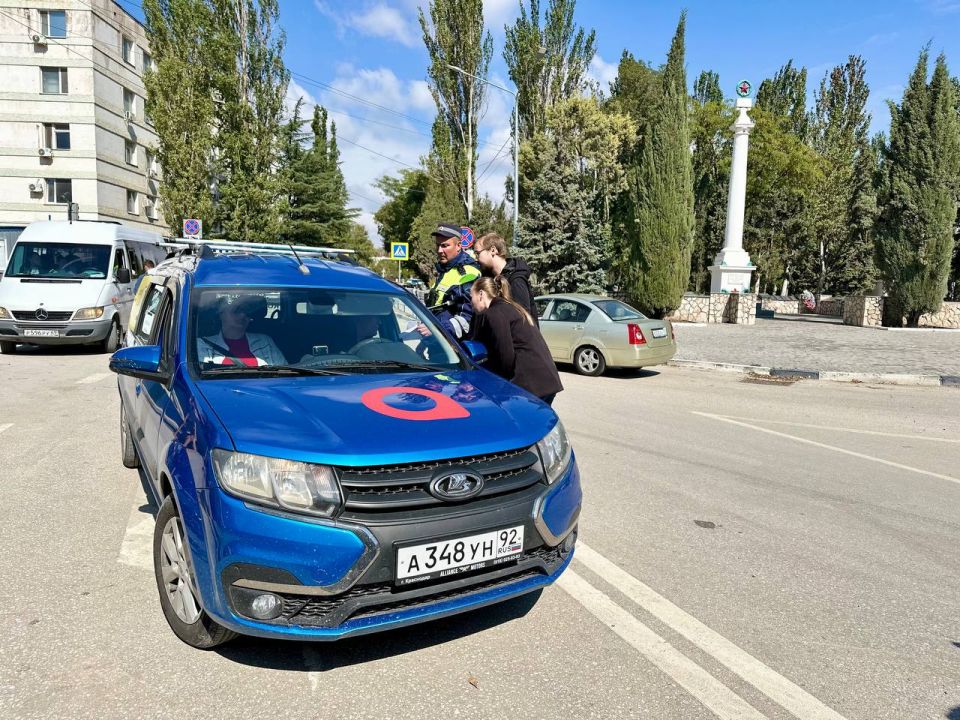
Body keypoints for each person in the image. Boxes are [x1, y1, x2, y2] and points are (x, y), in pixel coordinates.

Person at [470, 276, 562, 405]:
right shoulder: (511, 307)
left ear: (481, 294)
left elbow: (505, 358)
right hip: (545, 381)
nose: (471, 303)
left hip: (530, 386)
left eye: (471, 297)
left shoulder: (494, 313)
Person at [422, 222, 481, 341]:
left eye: (445, 246)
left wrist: (436, 329)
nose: (439, 250)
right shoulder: (446, 270)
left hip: (455, 348)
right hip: (438, 341)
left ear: (459, 246)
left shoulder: (469, 273)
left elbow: (467, 319)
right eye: (437, 245)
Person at [197, 295, 286, 367]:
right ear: (221, 314)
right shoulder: (203, 344)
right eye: (236, 311)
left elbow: (284, 371)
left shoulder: (265, 341)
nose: (243, 315)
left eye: (247, 312)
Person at [474, 232, 538, 326]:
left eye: (477, 253)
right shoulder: (489, 279)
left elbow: (522, 320)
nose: (476, 258)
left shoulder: (516, 280)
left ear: (493, 250)